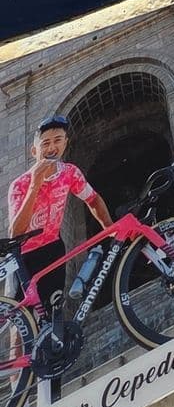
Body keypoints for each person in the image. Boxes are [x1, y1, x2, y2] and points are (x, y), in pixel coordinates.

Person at [7, 115, 111, 308]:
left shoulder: (69, 173)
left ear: (65, 143)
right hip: (23, 255)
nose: (52, 148)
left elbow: (93, 199)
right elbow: (15, 233)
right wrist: (34, 186)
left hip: (52, 248)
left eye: (58, 141)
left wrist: (110, 229)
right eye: (45, 143)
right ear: (34, 150)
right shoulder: (19, 185)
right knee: (21, 318)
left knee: (54, 308)